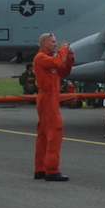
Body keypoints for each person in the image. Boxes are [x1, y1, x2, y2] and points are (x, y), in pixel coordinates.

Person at [32, 33, 74, 181]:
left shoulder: (48, 59)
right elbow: (56, 63)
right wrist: (63, 50)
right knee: (55, 131)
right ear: (44, 43)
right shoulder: (41, 58)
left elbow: (63, 71)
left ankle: (41, 168)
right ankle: (52, 169)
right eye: (53, 42)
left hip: (50, 97)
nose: (55, 45)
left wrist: (69, 59)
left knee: (44, 133)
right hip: (47, 97)